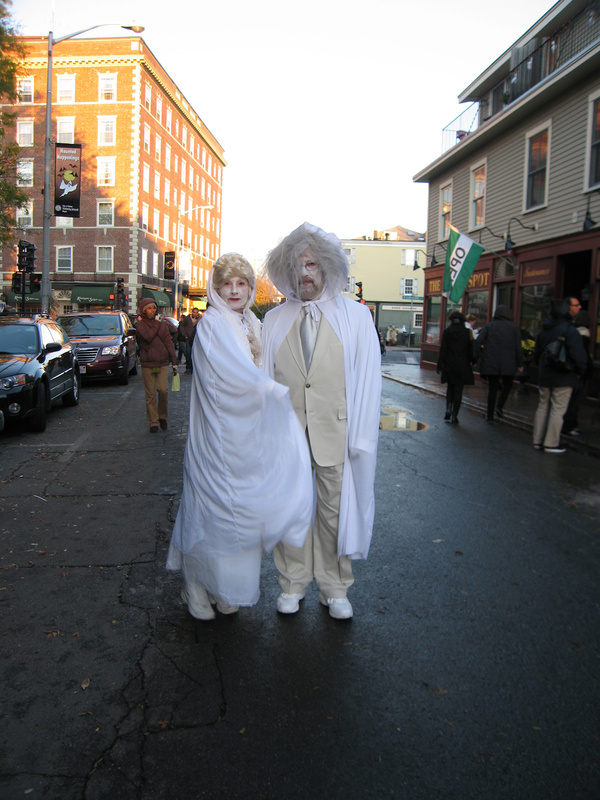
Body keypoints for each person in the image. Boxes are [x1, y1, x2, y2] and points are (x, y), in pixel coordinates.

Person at [167, 253, 312, 620]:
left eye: (241, 284)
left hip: (247, 435)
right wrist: (270, 391)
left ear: (249, 288)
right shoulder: (214, 324)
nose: (234, 291)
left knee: (240, 514)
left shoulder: (250, 320)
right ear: (216, 289)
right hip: (217, 434)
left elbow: (267, 363)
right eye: (226, 284)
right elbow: (229, 376)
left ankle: (223, 586)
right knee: (211, 509)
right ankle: (195, 584)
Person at [261, 222, 382, 620]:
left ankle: (335, 587)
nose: (305, 273)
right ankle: (293, 583)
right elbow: (263, 381)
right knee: (291, 511)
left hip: (336, 432)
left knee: (333, 511)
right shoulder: (274, 320)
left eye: (312, 263)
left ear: (326, 266)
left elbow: (368, 380)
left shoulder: (355, 318)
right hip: (287, 437)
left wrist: (361, 435)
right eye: (297, 265)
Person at [532, 298, 587, 453]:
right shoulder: (569, 330)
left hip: (545, 374)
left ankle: (537, 440)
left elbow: (537, 354)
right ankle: (550, 443)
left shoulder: (544, 330)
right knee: (558, 409)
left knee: (543, 406)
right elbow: (578, 355)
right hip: (563, 375)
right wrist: (580, 370)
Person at [136, 298, 178, 433]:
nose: (152, 311)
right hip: (148, 363)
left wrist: (174, 360)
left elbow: (169, 340)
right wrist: (157, 324)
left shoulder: (161, 324)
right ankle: (153, 422)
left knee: (163, 390)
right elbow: (147, 337)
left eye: (154, 308)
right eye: (149, 308)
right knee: (150, 394)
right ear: (143, 310)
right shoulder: (140, 325)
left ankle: (162, 416)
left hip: (162, 362)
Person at [475, 304, 523, 421]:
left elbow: (478, 341)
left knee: (492, 388)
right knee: (508, 385)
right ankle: (499, 406)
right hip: (508, 362)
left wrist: (476, 357)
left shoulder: (489, 326)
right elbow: (518, 347)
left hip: (492, 362)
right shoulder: (514, 328)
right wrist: (520, 363)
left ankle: (490, 413)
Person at [437, 311, 475, 424]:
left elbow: (443, 349)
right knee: (459, 390)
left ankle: (448, 408)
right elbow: (470, 350)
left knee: (450, 388)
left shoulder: (447, 332)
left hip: (449, 364)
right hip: (462, 365)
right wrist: (473, 361)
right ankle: (455, 415)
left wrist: (439, 365)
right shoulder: (467, 332)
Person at [562, 306, 593, 436]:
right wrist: (582, 369)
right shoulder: (583, 335)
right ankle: (569, 425)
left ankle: (567, 424)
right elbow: (581, 356)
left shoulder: (572, 332)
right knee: (574, 400)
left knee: (570, 399)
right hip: (578, 373)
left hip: (572, 371)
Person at [178, 307, 201, 373]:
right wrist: (185, 335)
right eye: (194, 312)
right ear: (192, 312)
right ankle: (188, 368)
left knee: (196, 353)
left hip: (197, 338)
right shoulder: (188, 318)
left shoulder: (200, 319)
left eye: (196, 312)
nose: (195, 314)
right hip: (189, 338)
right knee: (188, 352)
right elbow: (182, 326)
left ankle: (194, 368)